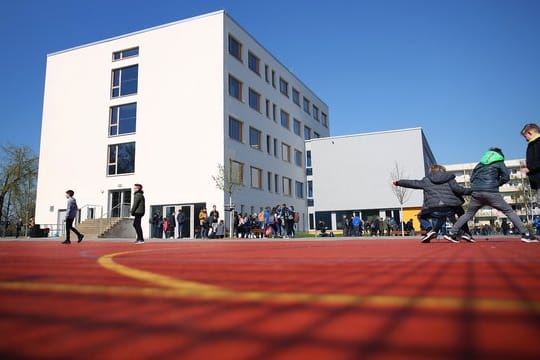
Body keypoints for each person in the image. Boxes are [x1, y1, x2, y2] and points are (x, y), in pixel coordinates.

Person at [444, 148, 537, 243]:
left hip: (476, 193)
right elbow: (506, 177)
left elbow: (472, 179)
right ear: (500, 155)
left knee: (468, 214)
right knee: (509, 211)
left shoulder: (479, 164)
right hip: (491, 192)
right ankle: (526, 234)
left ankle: (452, 233)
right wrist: (497, 183)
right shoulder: (499, 162)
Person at [394, 164, 472, 243]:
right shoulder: (449, 179)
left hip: (434, 209)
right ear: (443, 171)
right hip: (451, 207)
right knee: (460, 212)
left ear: (431, 171)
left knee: (421, 216)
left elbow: (412, 183)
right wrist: (473, 191)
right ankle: (465, 232)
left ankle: (429, 230)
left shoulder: (426, 180)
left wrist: (398, 182)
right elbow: (459, 190)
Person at [521, 123, 540, 207]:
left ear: (530, 133)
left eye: (525, 136)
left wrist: (530, 168)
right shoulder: (532, 144)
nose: (525, 139)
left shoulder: (537, 143)